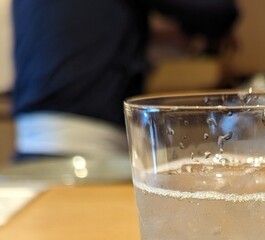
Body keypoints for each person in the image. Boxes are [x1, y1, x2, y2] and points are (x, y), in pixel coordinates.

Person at [12, 0, 239, 159]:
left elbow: (72, 38)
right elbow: (215, 9)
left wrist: (142, 39)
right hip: (92, 147)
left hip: (27, 146)